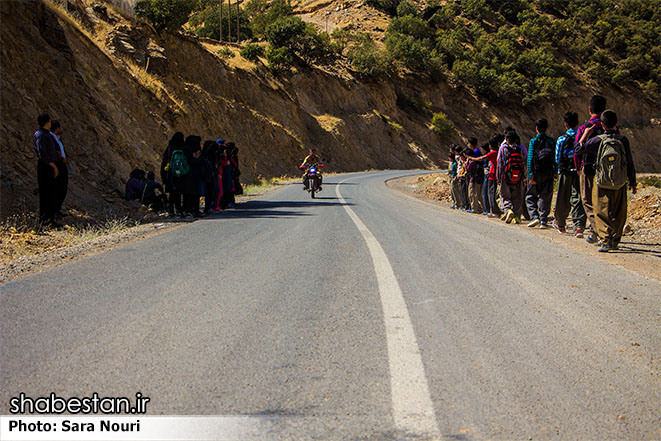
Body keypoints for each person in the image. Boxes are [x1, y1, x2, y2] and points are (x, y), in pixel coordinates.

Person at [575, 109, 636, 252]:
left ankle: (606, 240)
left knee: (601, 210)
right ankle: (615, 240)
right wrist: (632, 181)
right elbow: (629, 161)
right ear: (617, 123)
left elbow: (578, 149)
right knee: (619, 211)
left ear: (602, 125)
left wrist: (584, 135)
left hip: (601, 181)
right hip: (620, 181)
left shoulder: (598, 140)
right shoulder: (623, 140)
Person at [575, 95, 607, 243]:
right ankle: (597, 232)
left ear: (589, 109)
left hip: (588, 168)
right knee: (601, 201)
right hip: (605, 170)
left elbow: (577, 150)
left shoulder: (584, 127)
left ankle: (598, 231)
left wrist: (578, 167)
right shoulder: (608, 125)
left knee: (587, 200)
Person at [553, 112, 586, 237]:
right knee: (578, 197)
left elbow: (557, 158)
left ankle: (561, 223)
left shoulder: (562, 139)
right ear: (578, 123)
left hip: (565, 171)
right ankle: (579, 226)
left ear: (565, 124)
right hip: (578, 171)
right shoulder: (582, 137)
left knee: (563, 197)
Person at [525, 118, 556, 229]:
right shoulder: (552, 141)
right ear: (547, 128)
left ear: (536, 128)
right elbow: (554, 157)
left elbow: (530, 158)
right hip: (548, 172)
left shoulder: (534, 141)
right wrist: (555, 171)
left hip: (536, 172)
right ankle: (543, 220)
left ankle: (534, 216)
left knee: (530, 196)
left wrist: (530, 174)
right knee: (546, 195)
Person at [33, 113, 61, 228]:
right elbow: (42, 154)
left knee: (51, 193)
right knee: (46, 193)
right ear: (46, 122)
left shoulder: (46, 134)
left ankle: (50, 219)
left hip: (49, 165)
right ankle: (45, 220)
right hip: (46, 167)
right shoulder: (41, 135)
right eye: (49, 121)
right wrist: (53, 167)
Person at [497, 130, 526, 224]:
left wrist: (498, 176)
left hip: (506, 175)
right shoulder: (520, 149)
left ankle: (508, 210)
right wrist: (524, 176)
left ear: (507, 140)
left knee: (505, 195)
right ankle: (517, 217)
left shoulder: (503, 148)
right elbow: (524, 161)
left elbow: (499, 162)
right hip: (518, 176)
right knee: (517, 196)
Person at [161, 132, 187, 217]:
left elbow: (164, 162)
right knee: (179, 192)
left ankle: (171, 210)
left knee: (172, 193)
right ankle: (179, 209)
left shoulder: (169, 148)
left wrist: (163, 177)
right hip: (182, 174)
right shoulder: (184, 148)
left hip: (171, 173)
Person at [50, 120, 68, 218]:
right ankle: (54, 211)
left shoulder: (58, 139)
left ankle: (57, 210)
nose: (61, 129)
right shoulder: (51, 139)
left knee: (62, 189)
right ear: (57, 129)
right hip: (57, 166)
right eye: (60, 128)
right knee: (56, 189)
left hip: (62, 166)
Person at [465, 146, 484, 214]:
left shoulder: (472, 162)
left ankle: (475, 208)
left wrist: (467, 162)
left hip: (474, 179)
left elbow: (468, 168)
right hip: (472, 179)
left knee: (473, 194)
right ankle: (477, 208)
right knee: (472, 194)